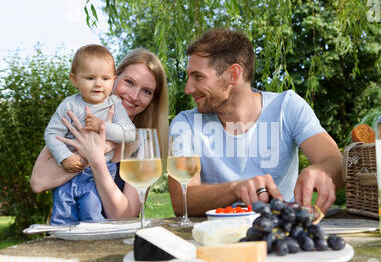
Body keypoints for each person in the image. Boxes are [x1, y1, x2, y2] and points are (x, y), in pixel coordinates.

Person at [168, 28, 343, 217]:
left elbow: (335, 163)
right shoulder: (185, 124)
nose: (188, 88)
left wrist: (320, 171)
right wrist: (236, 189)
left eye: (198, 76)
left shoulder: (287, 107)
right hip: (215, 236)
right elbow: (181, 201)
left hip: (280, 234)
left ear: (233, 75)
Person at [30, 48, 169, 221]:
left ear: (152, 100)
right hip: (66, 238)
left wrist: (95, 157)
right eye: (129, 82)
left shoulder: (145, 145)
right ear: (114, 78)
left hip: (107, 244)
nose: (134, 96)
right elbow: (38, 182)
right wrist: (90, 150)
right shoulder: (76, 118)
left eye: (146, 91)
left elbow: (124, 217)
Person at [44, 44, 135, 224]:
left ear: (114, 80)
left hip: (97, 174)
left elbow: (129, 133)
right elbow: (52, 133)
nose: (98, 84)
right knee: (62, 216)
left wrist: (103, 126)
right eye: (90, 77)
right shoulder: (68, 105)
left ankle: (92, 246)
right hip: (68, 171)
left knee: (92, 214)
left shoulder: (114, 105)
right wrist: (64, 157)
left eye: (105, 78)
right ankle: (61, 245)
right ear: (74, 79)